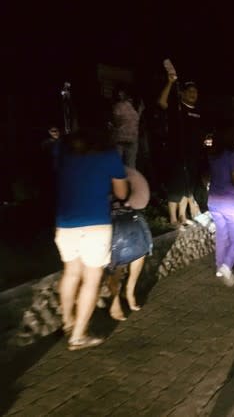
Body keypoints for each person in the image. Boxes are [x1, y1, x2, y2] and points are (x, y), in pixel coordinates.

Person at [55, 129, 128, 350]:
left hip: (65, 222)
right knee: (91, 279)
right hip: (96, 222)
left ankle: (68, 322)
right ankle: (78, 336)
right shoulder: (108, 154)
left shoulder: (62, 150)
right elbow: (122, 193)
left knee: (71, 273)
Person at [157, 72, 205, 229]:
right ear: (182, 94)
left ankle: (182, 216)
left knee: (187, 188)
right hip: (177, 155)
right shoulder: (177, 108)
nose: (193, 94)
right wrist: (170, 82)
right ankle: (173, 218)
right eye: (189, 91)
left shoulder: (198, 111)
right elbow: (161, 102)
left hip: (193, 157)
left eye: (195, 91)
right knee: (176, 187)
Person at [206, 124, 234, 286]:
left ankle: (218, 266)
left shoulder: (211, 155)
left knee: (221, 234)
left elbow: (210, 175)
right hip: (230, 200)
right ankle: (226, 266)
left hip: (214, 200)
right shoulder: (232, 155)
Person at [108, 167, 151, 320]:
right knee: (117, 262)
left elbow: (139, 198)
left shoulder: (123, 169)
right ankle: (114, 301)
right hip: (108, 220)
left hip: (129, 215)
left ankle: (129, 291)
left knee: (140, 253)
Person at [111, 88, 145, 168]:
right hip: (133, 137)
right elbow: (138, 118)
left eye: (121, 92)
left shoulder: (118, 105)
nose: (120, 94)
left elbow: (115, 121)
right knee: (131, 165)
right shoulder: (137, 104)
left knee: (117, 164)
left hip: (120, 137)